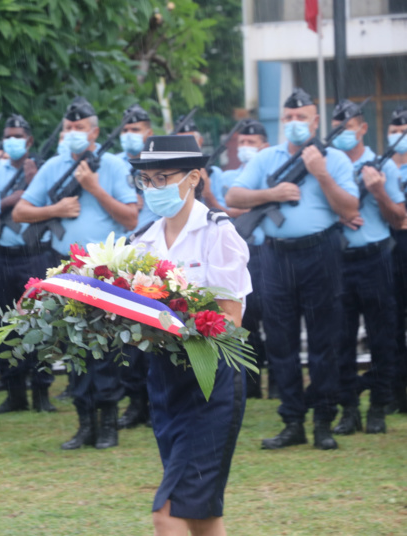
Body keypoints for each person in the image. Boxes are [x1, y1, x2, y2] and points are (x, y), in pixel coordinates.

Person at [130, 134, 251, 536]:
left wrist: (176, 321)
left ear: (194, 177)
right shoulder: (141, 242)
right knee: (200, 513)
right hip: (166, 384)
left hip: (211, 382)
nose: (153, 188)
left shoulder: (218, 233)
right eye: (146, 180)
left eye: (163, 177)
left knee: (168, 511)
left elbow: (231, 317)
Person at [226, 88, 359, 451]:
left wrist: (321, 173)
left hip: (322, 254)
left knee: (324, 340)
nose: (295, 124)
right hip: (276, 257)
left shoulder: (334, 159)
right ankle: (292, 421)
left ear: (316, 122)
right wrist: (272, 194)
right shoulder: (267, 158)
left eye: (303, 118)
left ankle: (322, 421)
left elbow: (349, 208)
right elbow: (234, 197)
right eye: (289, 118)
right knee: (281, 341)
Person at [13, 97, 138, 449]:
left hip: (106, 266)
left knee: (107, 343)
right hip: (65, 265)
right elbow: (21, 212)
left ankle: (109, 422)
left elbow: (131, 218)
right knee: (75, 344)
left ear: (94, 132)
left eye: (79, 128)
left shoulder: (113, 166)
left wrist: (95, 188)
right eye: (67, 128)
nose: (72, 134)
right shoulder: (53, 166)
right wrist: (56, 208)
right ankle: (85, 423)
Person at [328, 100, 405, 435]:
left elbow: (398, 217)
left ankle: (377, 407)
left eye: (348, 127)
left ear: (362, 128)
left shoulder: (380, 166)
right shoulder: (326, 167)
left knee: (382, 336)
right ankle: (349, 410)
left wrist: (378, 192)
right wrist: (340, 213)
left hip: (375, 259)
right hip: (337, 262)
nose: (342, 134)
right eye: (336, 127)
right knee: (340, 338)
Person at [0, 114, 56, 415]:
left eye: (18, 136)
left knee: (40, 323)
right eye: (8, 136)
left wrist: (32, 185)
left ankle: (42, 390)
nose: (12, 141)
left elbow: (56, 207)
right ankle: (14, 390)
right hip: (2, 255)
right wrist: (13, 198)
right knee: (7, 324)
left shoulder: (43, 171)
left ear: (29, 141)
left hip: (36, 254)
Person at [218, 120, 272, 399]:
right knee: (245, 321)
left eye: (252, 143)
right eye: (242, 143)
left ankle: (275, 382)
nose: (246, 148)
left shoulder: (271, 170)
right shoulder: (229, 178)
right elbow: (225, 208)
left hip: (269, 252)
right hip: (239, 254)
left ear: (264, 145)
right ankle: (250, 382)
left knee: (273, 320)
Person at [116, 104, 156, 428]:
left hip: (154, 255)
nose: (131, 136)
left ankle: (157, 399)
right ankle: (135, 401)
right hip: (121, 255)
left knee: (154, 332)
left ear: (149, 133)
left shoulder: (161, 167)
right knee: (127, 336)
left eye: (137, 129)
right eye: (126, 130)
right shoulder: (113, 166)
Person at [387, 106, 407, 414]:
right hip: (391, 246)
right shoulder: (384, 167)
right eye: (394, 131)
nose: (398, 137)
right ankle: (396, 392)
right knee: (392, 322)